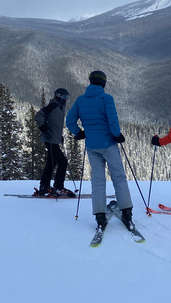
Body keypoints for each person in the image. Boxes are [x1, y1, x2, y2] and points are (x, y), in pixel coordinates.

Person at [66, 71, 134, 231]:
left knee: (97, 180)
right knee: (119, 177)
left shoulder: (80, 100)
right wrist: (117, 135)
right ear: (103, 83)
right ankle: (127, 213)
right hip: (109, 144)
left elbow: (69, 120)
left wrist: (79, 132)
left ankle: (100, 216)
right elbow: (113, 120)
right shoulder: (106, 98)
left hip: (92, 146)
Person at [34, 88, 75, 197]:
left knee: (52, 162)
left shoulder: (60, 107)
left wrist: (59, 136)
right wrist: (43, 128)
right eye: (63, 97)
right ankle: (58, 187)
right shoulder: (53, 106)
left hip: (53, 139)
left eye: (67, 97)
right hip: (49, 139)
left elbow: (54, 124)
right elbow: (38, 115)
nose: (66, 99)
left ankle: (44, 185)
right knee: (62, 162)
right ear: (57, 96)